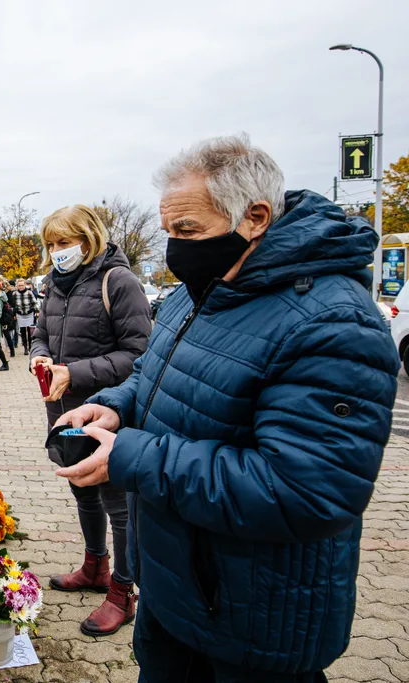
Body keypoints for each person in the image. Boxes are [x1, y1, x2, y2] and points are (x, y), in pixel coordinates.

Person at [57, 135, 398, 682]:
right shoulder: (200, 290)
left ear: (255, 217)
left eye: (188, 231)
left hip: (252, 617)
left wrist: (133, 456)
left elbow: (305, 491)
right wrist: (116, 407)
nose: (174, 247)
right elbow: (154, 374)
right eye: (168, 231)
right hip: (175, 590)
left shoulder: (330, 323)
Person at [29, 205, 151, 637]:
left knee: (119, 506)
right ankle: (95, 565)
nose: (56, 251)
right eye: (50, 243)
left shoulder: (118, 282)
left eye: (64, 242)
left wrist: (74, 373)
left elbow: (139, 354)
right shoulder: (54, 285)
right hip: (62, 408)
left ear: (89, 238)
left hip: (107, 413)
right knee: (82, 490)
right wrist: (38, 355)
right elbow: (40, 331)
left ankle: (123, 591)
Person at [9, 278, 39, 354]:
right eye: (19, 285)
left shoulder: (29, 292)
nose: (21, 287)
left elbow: (34, 302)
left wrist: (36, 311)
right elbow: (13, 305)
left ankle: (30, 347)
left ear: (25, 285)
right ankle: (25, 348)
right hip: (20, 314)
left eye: (22, 285)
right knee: (22, 332)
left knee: (29, 331)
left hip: (29, 313)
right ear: (17, 286)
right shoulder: (14, 293)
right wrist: (14, 314)